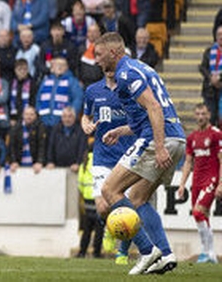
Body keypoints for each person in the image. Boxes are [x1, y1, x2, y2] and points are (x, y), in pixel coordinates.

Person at [94, 32, 186, 275]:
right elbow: (147, 112)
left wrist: (158, 146)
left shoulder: (125, 74)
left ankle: (147, 251)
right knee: (138, 198)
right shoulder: (140, 68)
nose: (96, 60)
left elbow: (154, 108)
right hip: (176, 136)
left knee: (109, 190)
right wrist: (121, 131)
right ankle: (165, 255)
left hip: (160, 138)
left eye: (100, 55)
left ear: (114, 52)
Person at [82, 70, 139, 264]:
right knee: (103, 207)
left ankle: (122, 252)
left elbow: (141, 122)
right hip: (102, 155)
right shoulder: (93, 90)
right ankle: (109, 227)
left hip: (127, 156)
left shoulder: (131, 91)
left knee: (128, 208)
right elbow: (85, 116)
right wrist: (87, 126)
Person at [177, 104, 222, 264]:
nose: (200, 117)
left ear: (209, 114)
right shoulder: (192, 137)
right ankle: (210, 254)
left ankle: (207, 252)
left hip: (211, 179)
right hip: (196, 181)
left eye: (203, 113)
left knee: (198, 212)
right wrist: (182, 184)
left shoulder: (216, 134)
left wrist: (220, 183)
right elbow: (188, 162)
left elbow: (221, 159)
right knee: (201, 217)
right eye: (198, 114)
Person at [8, 106, 46, 172]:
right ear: (23, 115)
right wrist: (13, 161)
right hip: (19, 164)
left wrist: (39, 161)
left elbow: (42, 146)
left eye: (31, 114)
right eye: (26, 114)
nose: (29, 117)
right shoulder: (15, 128)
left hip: (35, 164)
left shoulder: (40, 127)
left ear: (36, 116)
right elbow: (11, 146)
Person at [200, 25, 222, 125]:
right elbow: (202, 67)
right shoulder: (209, 51)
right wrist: (211, 78)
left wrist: (219, 78)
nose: (221, 37)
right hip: (209, 89)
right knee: (211, 116)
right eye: (219, 34)